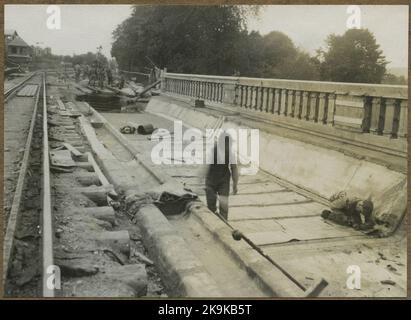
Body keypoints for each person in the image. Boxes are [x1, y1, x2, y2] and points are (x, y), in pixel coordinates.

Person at [205, 133, 239, 221]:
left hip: (223, 181)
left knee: (224, 207)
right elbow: (205, 168)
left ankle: (224, 224)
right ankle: (212, 223)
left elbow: (234, 168)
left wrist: (235, 184)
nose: (229, 147)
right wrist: (204, 183)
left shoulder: (231, 153)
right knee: (211, 206)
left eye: (229, 145)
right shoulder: (212, 151)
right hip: (211, 180)